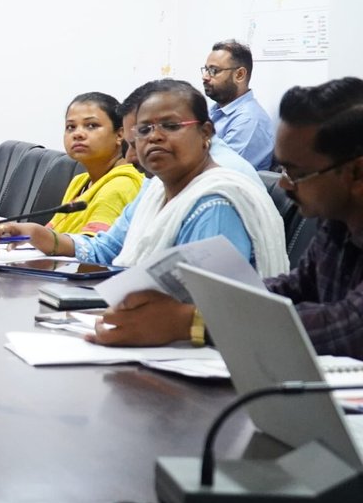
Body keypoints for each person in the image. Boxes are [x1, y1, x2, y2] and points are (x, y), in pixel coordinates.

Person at [92, 78, 363, 356]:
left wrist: (193, 321)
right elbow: (293, 288)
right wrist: (194, 309)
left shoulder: (216, 201)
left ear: (355, 172)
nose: (284, 184)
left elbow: (350, 328)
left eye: (296, 174)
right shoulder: (337, 224)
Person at [0, 80, 287, 273]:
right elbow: (107, 248)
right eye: (143, 130)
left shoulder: (215, 203)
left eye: (170, 126)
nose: (153, 137)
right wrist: (43, 237)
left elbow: (211, 304)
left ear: (205, 132)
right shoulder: (155, 189)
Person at [46, 92, 143, 233]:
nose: (78, 134)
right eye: (71, 127)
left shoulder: (122, 184)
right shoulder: (79, 182)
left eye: (91, 125)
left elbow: (93, 243)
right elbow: (51, 232)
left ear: (120, 135)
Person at [201, 39, 275, 170]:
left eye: (214, 70)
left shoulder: (249, 120)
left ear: (240, 75)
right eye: (206, 69)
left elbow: (219, 171)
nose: (205, 77)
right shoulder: (216, 110)